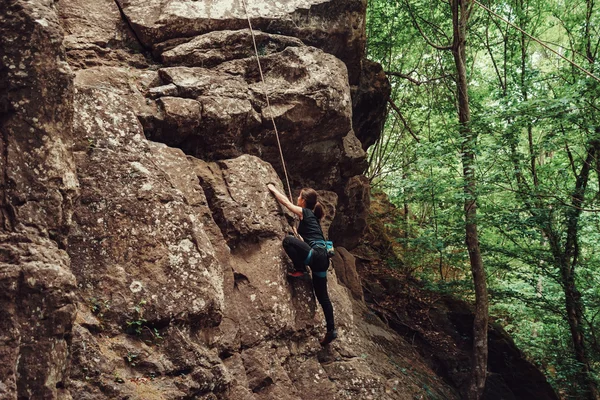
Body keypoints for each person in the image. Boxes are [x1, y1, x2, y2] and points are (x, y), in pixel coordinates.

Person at [267, 184, 337, 346]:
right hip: (323, 259)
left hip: (316, 256)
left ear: (304, 201)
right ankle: (331, 330)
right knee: (323, 297)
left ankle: (300, 269)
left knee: (287, 241)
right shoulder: (313, 219)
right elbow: (308, 239)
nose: (297, 199)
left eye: (299, 197)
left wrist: (273, 189)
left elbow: (286, 203)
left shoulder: (305, 212)